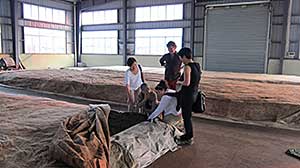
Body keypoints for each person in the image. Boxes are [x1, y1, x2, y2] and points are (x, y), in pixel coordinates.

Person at [175, 47, 201, 146]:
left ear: (185, 56)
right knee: (188, 116)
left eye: (181, 58)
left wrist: (179, 82)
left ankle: (189, 137)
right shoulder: (197, 65)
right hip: (194, 93)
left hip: (187, 95)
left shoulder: (187, 67)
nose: (181, 60)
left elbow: (186, 82)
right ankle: (187, 134)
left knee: (186, 117)